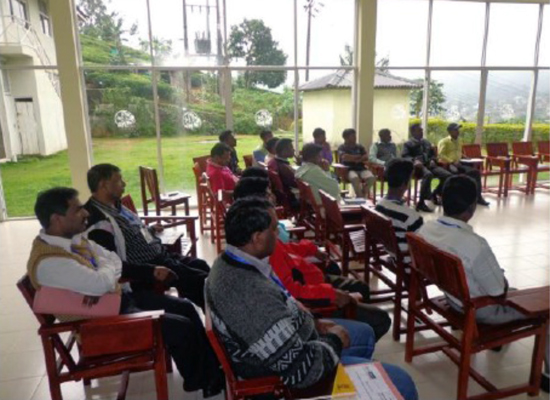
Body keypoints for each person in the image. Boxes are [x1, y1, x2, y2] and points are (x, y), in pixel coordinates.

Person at [206, 197, 418, 399]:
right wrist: (333, 340)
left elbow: (281, 307)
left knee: (365, 333)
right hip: (289, 376)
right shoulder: (250, 295)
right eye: (273, 229)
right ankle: (359, 383)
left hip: (295, 339)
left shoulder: (234, 261)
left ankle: (358, 379)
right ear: (257, 238)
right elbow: (301, 371)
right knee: (403, 383)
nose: (278, 235)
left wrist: (315, 324)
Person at [29, 187, 223, 397]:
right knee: (181, 328)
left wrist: (106, 269)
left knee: (185, 308)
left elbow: (110, 261)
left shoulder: (73, 241)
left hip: (114, 303)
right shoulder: (50, 262)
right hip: (100, 327)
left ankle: (214, 369)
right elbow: (101, 281)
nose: (85, 213)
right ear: (57, 219)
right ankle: (205, 380)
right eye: (77, 210)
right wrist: (107, 268)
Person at [418, 175, 549, 391]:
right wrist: (501, 277)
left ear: (442, 199)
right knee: (544, 306)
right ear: (471, 209)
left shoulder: (426, 230)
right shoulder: (474, 244)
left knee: (512, 290)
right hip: (479, 311)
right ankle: (548, 376)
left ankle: (499, 342)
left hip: (454, 300)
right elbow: (497, 290)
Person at [84, 164, 210, 309]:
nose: (124, 183)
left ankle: (214, 317)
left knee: (201, 266)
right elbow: (113, 265)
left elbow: (131, 232)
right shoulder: (98, 223)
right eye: (119, 180)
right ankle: (217, 323)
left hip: (161, 255)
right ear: (103, 185)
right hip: (149, 269)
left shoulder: (115, 205)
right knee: (201, 282)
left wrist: (149, 230)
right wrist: (152, 270)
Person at [374, 158, 424, 264]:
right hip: (408, 264)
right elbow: (421, 248)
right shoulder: (411, 217)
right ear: (404, 184)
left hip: (393, 255)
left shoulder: (379, 204)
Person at [402, 123, 451, 213]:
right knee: (428, 175)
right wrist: (414, 161)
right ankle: (421, 203)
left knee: (448, 175)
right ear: (412, 132)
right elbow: (405, 156)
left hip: (429, 165)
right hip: (417, 168)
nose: (421, 132)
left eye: (422, 130)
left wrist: (433, 160)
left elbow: (433, 155)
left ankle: (435, 193)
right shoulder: (408, 144)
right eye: (419, 130)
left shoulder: (426, 142)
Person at [437, 123, 490, 206]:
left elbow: (459, 152)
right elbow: (441, 154)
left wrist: (465, 157)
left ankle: (478, 197)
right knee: (462, 175)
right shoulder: (444, 141)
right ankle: (455, 197)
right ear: (450, 131)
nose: (458, 131)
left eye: (458, 129)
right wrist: (451, 161)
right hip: (449, 165)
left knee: (475, 173)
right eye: (456, 130)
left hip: (459, 163)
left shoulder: (459, 140)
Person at [337, 128, 375, 198]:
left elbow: (366, 156)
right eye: (353, 136)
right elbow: (345, 157)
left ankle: (362, 195)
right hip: (349, 170)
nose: (355, 138)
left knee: (371, 178)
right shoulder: (342, 147)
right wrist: (358, 157)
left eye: (355, 136)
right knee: (354, 178)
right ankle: (361, 198)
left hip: (362, 168)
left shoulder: (359, 146)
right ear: (346, 138)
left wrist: (356, 159)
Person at [267, 138, 299, 207]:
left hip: (280, 198)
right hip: (290, 199)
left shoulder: (272, 162)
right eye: (291, 147)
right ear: (283, 151)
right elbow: (296, 184)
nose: (294, 150)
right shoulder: (283, 167)